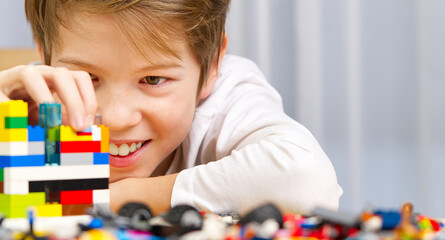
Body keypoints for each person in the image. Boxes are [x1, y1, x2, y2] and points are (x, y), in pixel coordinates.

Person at [0, 0, 342, 215]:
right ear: (43, 55)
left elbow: (306, 181)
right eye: (88, 76)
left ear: (211, 67)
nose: (118, 118)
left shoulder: (226, 100)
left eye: (153, 80)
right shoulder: (29, 103)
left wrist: (117, 196)